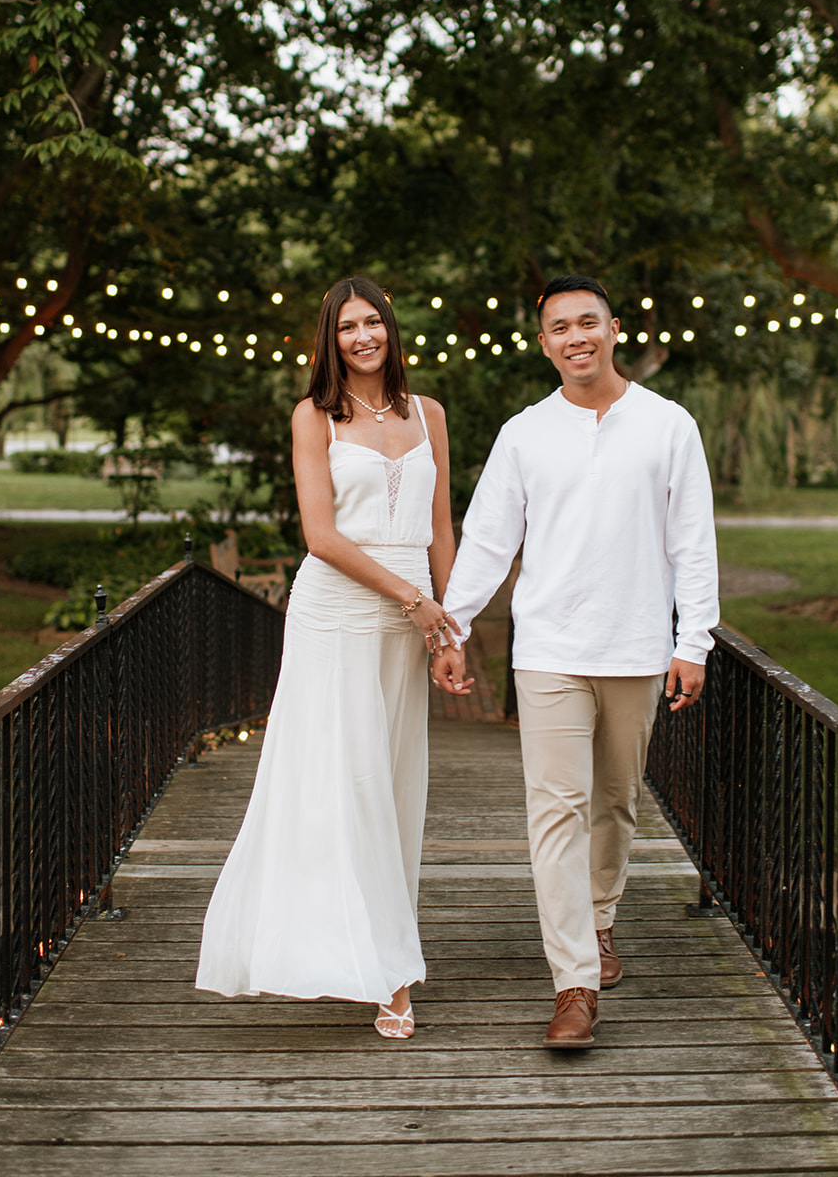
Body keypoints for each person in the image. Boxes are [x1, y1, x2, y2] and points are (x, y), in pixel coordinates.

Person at [442, 274, 718, 1049]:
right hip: (550, 650)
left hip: (634, 647)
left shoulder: (667, 426)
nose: (574, 338)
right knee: (554, 810)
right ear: (543, 344)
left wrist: (691, 640)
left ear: (613, 329)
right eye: (558, 328)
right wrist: (453, 625)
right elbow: (489, 539)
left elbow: (691, 543)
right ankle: (573, 984)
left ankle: (598, 921)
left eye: (586, 323)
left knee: (616, 802)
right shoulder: (523, 433)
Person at [196, 276, 471, 1040]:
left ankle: (378, 943)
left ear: (390, 328)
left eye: (372, 321)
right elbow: (320, 536)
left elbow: (440, 528)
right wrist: (411, 600)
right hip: (336, 613)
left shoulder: (430, 415)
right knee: (340, 785)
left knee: (390, 785)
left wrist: (448, 629)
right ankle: (384, 970)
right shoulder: (313, 416)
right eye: (347, 326)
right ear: (331, 338)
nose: (362, 336)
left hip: (407, 623)